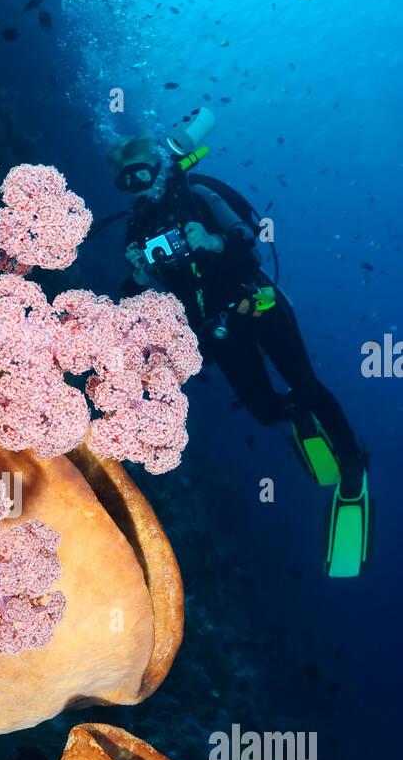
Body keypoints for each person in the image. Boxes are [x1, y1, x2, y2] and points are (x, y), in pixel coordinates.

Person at [108, 132, 370, 577]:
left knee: (307, 385)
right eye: (125, 180)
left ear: (157, 166)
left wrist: (212, 241)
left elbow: (245, 236)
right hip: (218, 329)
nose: (135, 184)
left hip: (259, 303)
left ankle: (352, 466)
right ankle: (299, 417)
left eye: (141, 172)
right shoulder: (136, 230)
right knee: (266, 412)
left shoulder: (198, 194)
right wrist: (137, 274)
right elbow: (139, 297)